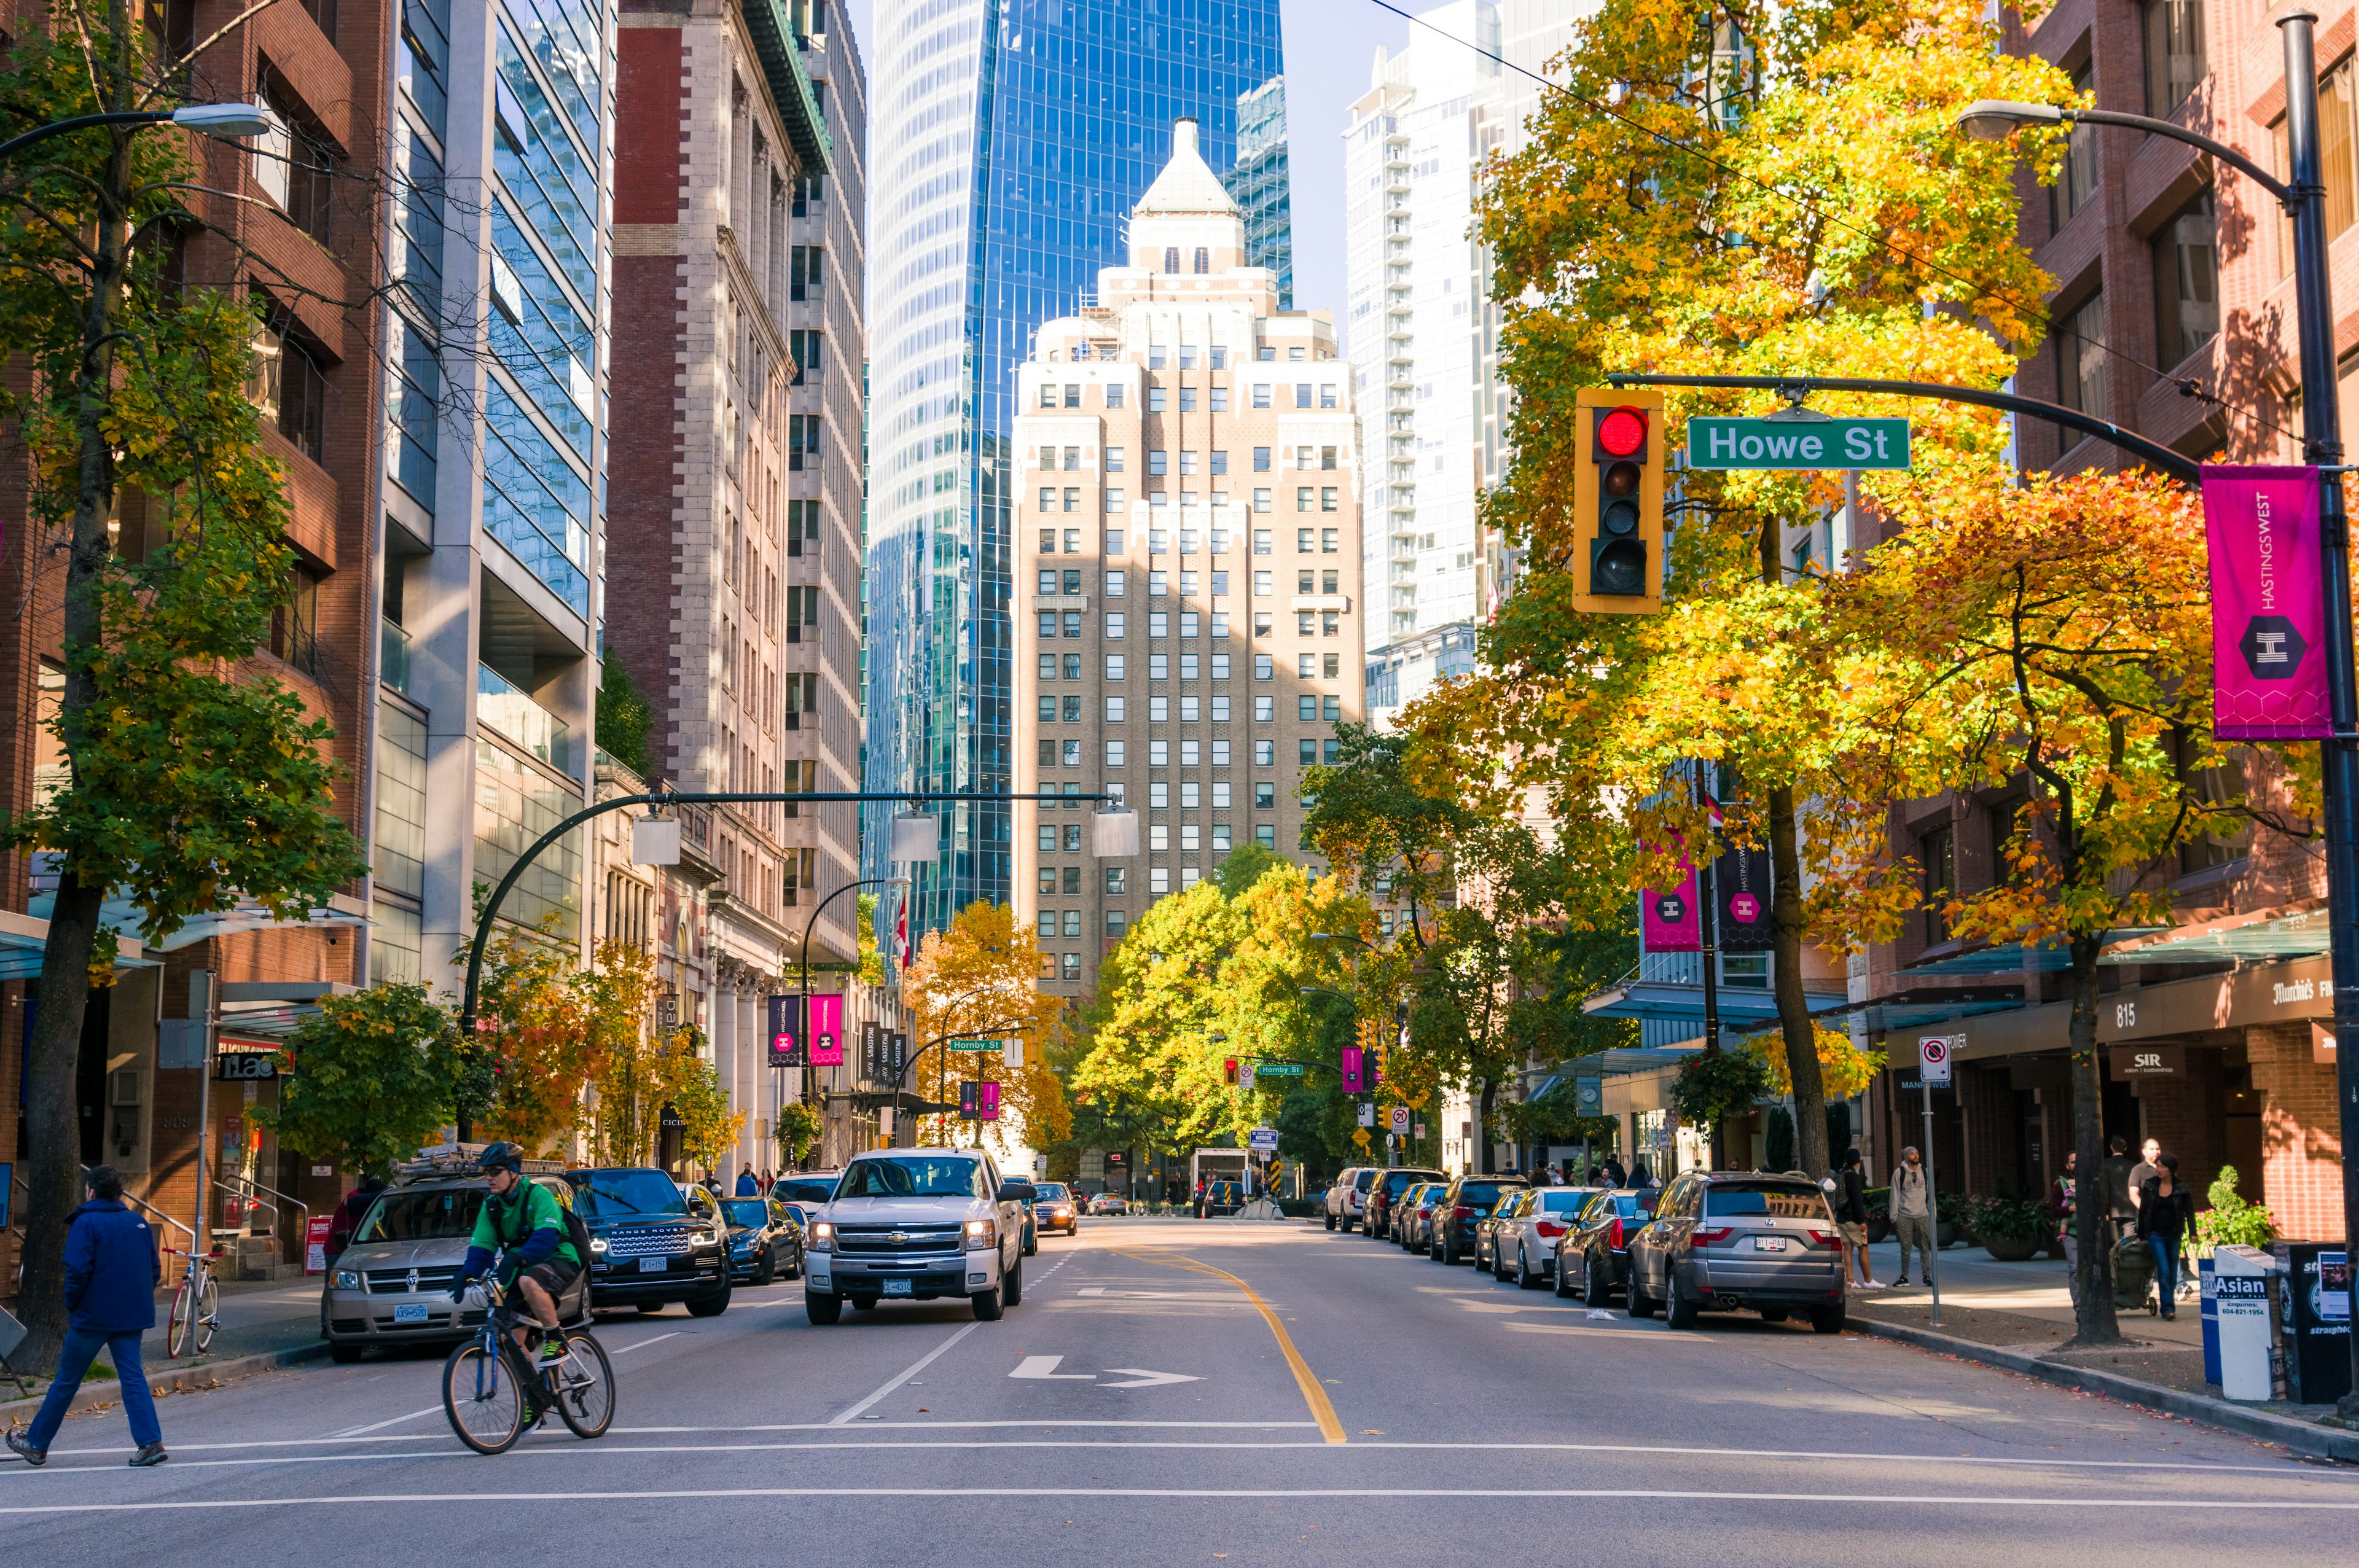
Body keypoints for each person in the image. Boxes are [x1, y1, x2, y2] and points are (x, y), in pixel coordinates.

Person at [6, 1166, 166, 1468]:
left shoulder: (86, 1222)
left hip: (91, 1317)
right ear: (119, 1193)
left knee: (66, 1381)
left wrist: (73, 1305)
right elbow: (154, 1270)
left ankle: (37, 1443)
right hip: (130, 1317)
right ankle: (150, 1443)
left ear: (91, 1191)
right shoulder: (138, 1223)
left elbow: (77, 1272)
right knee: (133, 1378)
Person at [448, 1143, 581, 1371]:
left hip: (559, 1257)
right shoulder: (492, 1207)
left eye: (494, 1172)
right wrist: (467, 1272)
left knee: (528, 1280)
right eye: (486, 1172)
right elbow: (482, 1247)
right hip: (524, 1266)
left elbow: (547, 1237)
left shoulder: (539, 1196)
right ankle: (534, 1399)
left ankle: (555, 1338)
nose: (488, 1178)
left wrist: (518, 1257)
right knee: (508, 1340)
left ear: (513, 1172)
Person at [2137, 1154, 2194, 1320]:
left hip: (2174, 1234)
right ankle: (2168, 1309)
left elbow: (2189, 1211)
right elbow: (2143, 1210)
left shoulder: (2182, 1187)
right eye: (2158, 1166)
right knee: (2163, 1270)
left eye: (2163, 1167)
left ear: (2171, 1169)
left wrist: (2193, 1233)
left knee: (2171, 1271)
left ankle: (2169, 1306)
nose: (2159, 1169)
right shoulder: (2150, 1186)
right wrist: (2141, 1234)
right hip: (2156, 1234)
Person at [2047, 1150, 2088, 1306]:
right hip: (2071, 1233)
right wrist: (2070, 1210)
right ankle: (2080, 1308)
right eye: (2073, 1162)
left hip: (2091, 1234)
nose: (2076, 1165)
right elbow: (2055, 1210)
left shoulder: (2093, 1180)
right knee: (2076, 1270)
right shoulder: (2061, 1184)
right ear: (2067, 1165)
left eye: (2079, 1161)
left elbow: (2104, 1205)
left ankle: (2092, 1305)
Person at [324, 1170, 387, 1266]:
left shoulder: (356, 1196)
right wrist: (387, 1191)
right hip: (338, 1250)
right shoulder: (354, 1200)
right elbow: (371, 1197)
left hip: (345, 1248)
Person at [1890, 1146, 1932, 1286]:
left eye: (1917, 1153)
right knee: (1906, 1248)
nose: (1916, 1155)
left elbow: (1931, 1193)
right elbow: (1895, 1195)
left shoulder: (1925, 1172)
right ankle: (1904, 1277)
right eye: (1913, 1154)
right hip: (1905, 1216)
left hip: (1923, 1215)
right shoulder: (1899, 1173)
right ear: (1907, 1156)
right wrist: (1894, 1216)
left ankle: (1926, 1276)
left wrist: (1933, 1213)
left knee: (1925, 1247)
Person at [1836, 1146, 1877, 1288]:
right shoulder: (1853, 1176)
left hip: (1841, 1218)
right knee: (1863, 1248)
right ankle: (1869, 1280)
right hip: (1853, 1218)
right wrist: (1862, 1221)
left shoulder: (1840, 1174)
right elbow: (1857, 1200)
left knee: (1847, 1248)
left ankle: (1851, 1280)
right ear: (1857, 1162)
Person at [2100, 1134, 2138, 1243]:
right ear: (2125, 1148)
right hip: (2130, 1209)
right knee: (2129, 1241)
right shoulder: (2133, 1166)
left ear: (2111, 1147)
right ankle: (2127, 1259)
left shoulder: (2105, 1164)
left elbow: (2106, 1188)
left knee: (2114, 1242)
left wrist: (2106, 1210)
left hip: (2113, 1210)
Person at [2126, 1137, 2161, 1214]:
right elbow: (2133, 1194)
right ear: (2144, 1152)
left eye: (2158, 1149)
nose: (2156, 1152)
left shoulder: (2166, 1169)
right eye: (2152, 1149)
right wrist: (2147, 1211)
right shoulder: (2138, 1170)